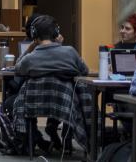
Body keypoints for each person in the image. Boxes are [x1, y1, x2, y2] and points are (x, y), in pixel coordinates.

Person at [11, 14, 90, 154]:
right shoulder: (70, 52)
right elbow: (84, 70)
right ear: (56, 33)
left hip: (33, 103)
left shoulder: (30, 58)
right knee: (74, 93)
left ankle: (30, 142)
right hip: (64, 104)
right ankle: (66, 140)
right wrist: (60, 46)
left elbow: (17, 68)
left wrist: (30, 47)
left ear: (34, 35)